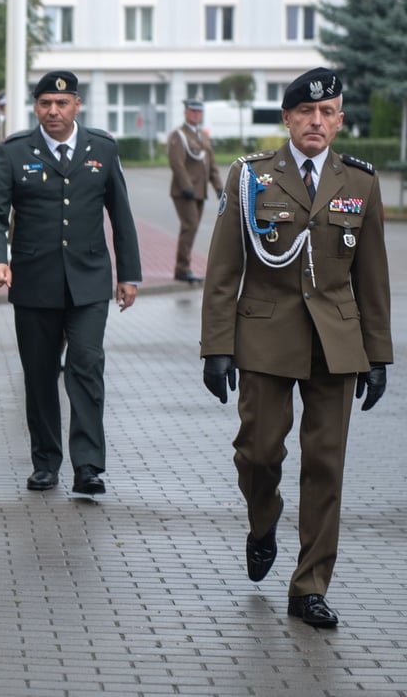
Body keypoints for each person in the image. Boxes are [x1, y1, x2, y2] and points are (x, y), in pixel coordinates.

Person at [200, 67, 392, 629]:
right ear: (287, 118)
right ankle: (263, 521)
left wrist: (378, 355)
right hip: (263, 334)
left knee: (326, 466)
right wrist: (217, 346)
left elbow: (373, 276)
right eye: (306, 112)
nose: (316, 121)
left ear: (338, 120)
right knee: (258, 453)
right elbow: (222, 269)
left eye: (327, 112)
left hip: (335, 341)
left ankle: (308, 587)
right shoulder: (251, 176)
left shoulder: (359, 183)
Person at [0, 70, 142, 496]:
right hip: (34, 283)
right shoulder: (15, 152)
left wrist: (129, 274)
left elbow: (120, 215)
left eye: (62, 103)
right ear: (36, 107)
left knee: (87, 367)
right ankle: (46, 462)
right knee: (40, 374)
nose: (54, 111)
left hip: (89, 283)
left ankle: (88, 466)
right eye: (46, 103)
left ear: (76, 106)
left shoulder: (101, 149)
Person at [168, 99, 223, 282]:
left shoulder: (202, 136)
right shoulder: (179, 135)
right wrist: (186, 186)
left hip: (199, 191)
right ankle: (182, 268)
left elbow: (211, 164)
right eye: (193, 112)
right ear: (186, 113)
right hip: (185, 192)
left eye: (199, 112)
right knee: (189, 226)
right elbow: (177, 163)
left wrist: (219, 187)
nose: (196, 115)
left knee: (193, 228)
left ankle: (184, 267)